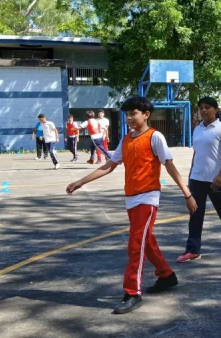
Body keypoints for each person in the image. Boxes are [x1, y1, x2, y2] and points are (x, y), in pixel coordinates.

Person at [66, 96, 197, 314]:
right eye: (127, 114)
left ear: (146, 114)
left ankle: (132, 292)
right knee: (146, 241)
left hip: (148, 198)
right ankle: (166, 276)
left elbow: (170, 166)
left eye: (133, 113)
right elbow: (109, 165)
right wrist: (80, 182)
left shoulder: (155, 137)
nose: (129, 118)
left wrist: (187, 194)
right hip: (131, 198)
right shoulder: (127, 140)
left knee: (136, 244)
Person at [178, 96, 221, 262]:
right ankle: (193, 250)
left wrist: (220, 176)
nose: (203, 110)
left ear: (216, 110)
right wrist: (191, 172)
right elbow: (196, 152)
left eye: (207, 107)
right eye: (201, 107)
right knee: (195, 213)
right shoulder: (197, 129)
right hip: (197, 178)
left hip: (216, 179)